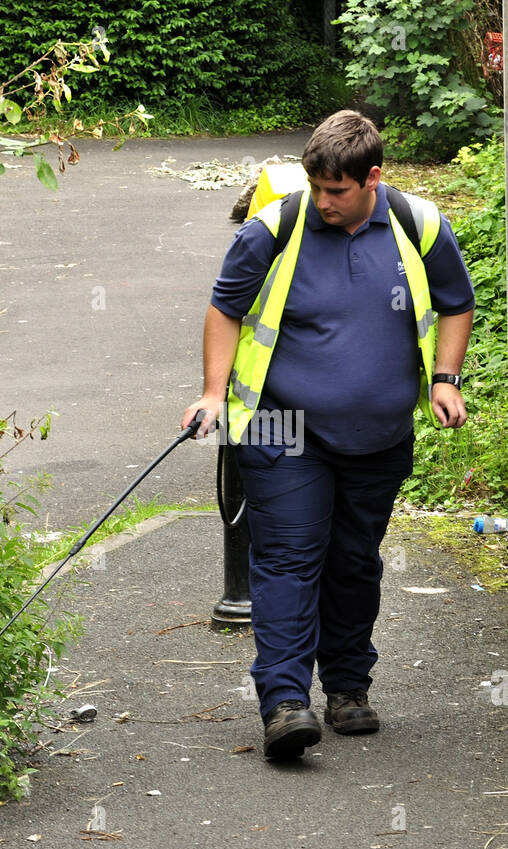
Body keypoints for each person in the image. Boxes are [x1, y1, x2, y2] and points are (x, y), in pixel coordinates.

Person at [181, 110, 475, 760]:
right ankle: (285, 703)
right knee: (288, 557)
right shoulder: (273, 230)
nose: (323, 202)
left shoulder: (418, 227)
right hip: (283, 427)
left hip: (379, 436)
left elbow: (456, 301)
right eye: (315, 187)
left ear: (372, 177)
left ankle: (346, 688)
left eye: (336, 191)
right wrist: (211, 393)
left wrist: (445, 378)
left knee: (353, 561)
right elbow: (225, 307)